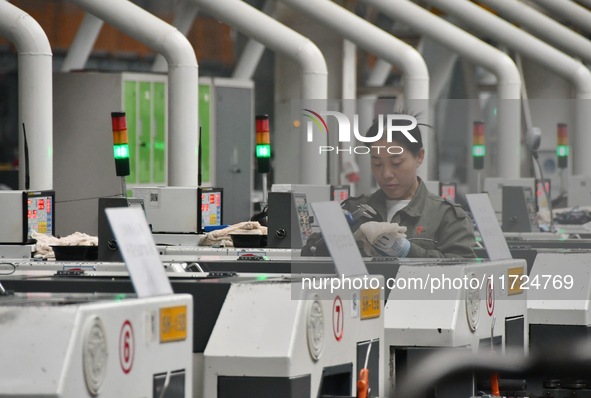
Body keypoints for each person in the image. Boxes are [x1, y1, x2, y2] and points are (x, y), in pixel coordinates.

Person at [303, 114, 476, 258]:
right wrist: (324, 241)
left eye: (396, 162)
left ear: (419, 157)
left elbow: (464, 275)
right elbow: (313, 262)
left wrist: (408, 251)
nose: (386, 173)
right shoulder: (355, 210)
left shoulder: (446, 217)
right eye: (377, 164)